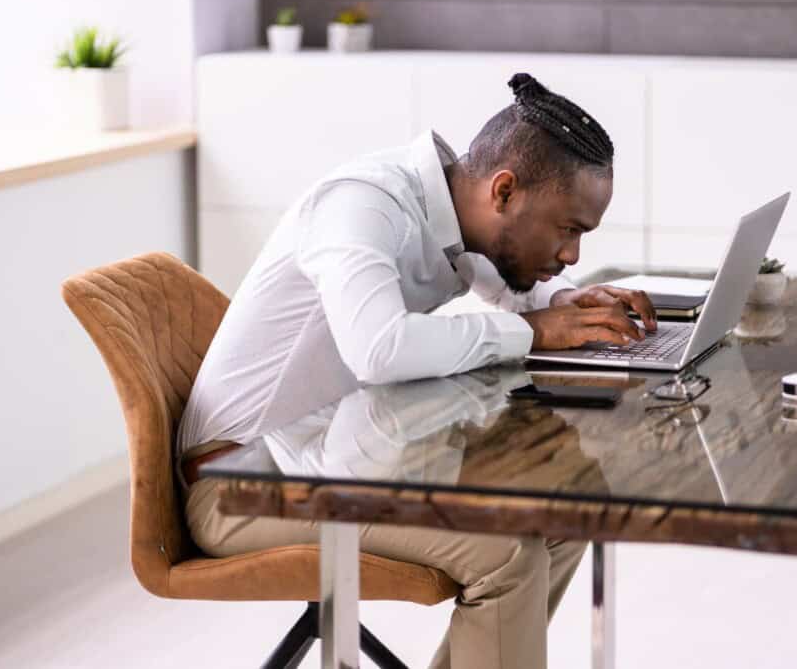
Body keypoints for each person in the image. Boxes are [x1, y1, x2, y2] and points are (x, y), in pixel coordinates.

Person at [177, 72, 657, 669]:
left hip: (336, 457)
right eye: (568, 230)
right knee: (507, 551)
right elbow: (379, 348)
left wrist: (563, 304)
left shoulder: (454, 206)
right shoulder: (361, 206)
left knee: (563, 512)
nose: (572, 256)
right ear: (504, 192)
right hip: (242, 485)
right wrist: (534, 330)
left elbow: (509, 294)